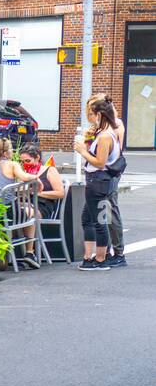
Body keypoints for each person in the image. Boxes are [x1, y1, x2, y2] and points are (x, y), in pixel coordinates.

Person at [73, 96, 123, 270]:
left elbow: (100, 162)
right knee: (90, 218)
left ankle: (100, 260)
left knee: (97, 221)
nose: (90, 118)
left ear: (100, 115)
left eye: (92, 114)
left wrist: (82, 152)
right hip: (99, 181)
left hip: (98, 181)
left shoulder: (105, 136)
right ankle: (92, 257)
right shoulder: (107, 133)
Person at [104, 96, 126, 266]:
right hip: (110, 172)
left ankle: (117, 252)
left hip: (109, 172)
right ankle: (108, 249)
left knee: (110, 210)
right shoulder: (116, 124)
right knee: (106, 210)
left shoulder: (115, 124)